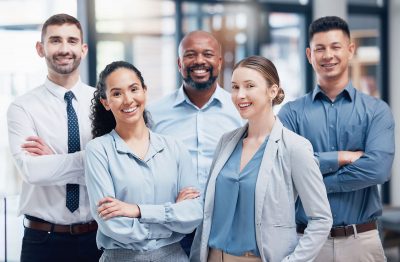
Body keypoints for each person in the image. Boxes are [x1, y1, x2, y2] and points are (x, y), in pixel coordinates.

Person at [191, 55, 332, 262]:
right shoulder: (226, 142)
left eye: (249, 86)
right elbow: (210, 208)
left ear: (272, 91)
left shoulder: (295, 147)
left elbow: (321, 219)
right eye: (235, 87)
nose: (240, 95)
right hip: (213, 256)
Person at [278, 16, 395, 262]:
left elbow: (378, 170)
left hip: (361, 242)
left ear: (350, 50)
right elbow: (284, 169)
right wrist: (341, 158)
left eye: (335, 47)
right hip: (306, 243)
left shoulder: (376, 111)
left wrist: (310, 178)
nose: (327, 55)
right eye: (320, 48)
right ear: (310, 54)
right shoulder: (291, 114)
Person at [85, 61, 203, 262]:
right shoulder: (98, 150)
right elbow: (113, 225)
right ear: (106, 102)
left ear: (144, 91)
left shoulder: (175, 148)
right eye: (116, 93)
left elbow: (193, 214)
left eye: (134, 89)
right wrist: (172, 215)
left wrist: (137, 211)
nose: (128, 100)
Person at [6, 14, 101, 261]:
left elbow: (117, 168)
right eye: (55, 40)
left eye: (72, 40)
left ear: (83, 48)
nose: (64, 49)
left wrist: (54, 160)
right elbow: (32, 171)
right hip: (42, 241)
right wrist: (95, 162)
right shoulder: (22, 107)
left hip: (97, 238)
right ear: (41, 48)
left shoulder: (103, 104)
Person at [147, 30, 243, 254]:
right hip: (171, 229)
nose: (199, 61)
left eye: (207, 54)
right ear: (179, 63)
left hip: (225, 225)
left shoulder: (239, 110)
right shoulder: (154, 113)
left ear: (219, 62)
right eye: (191, 55)